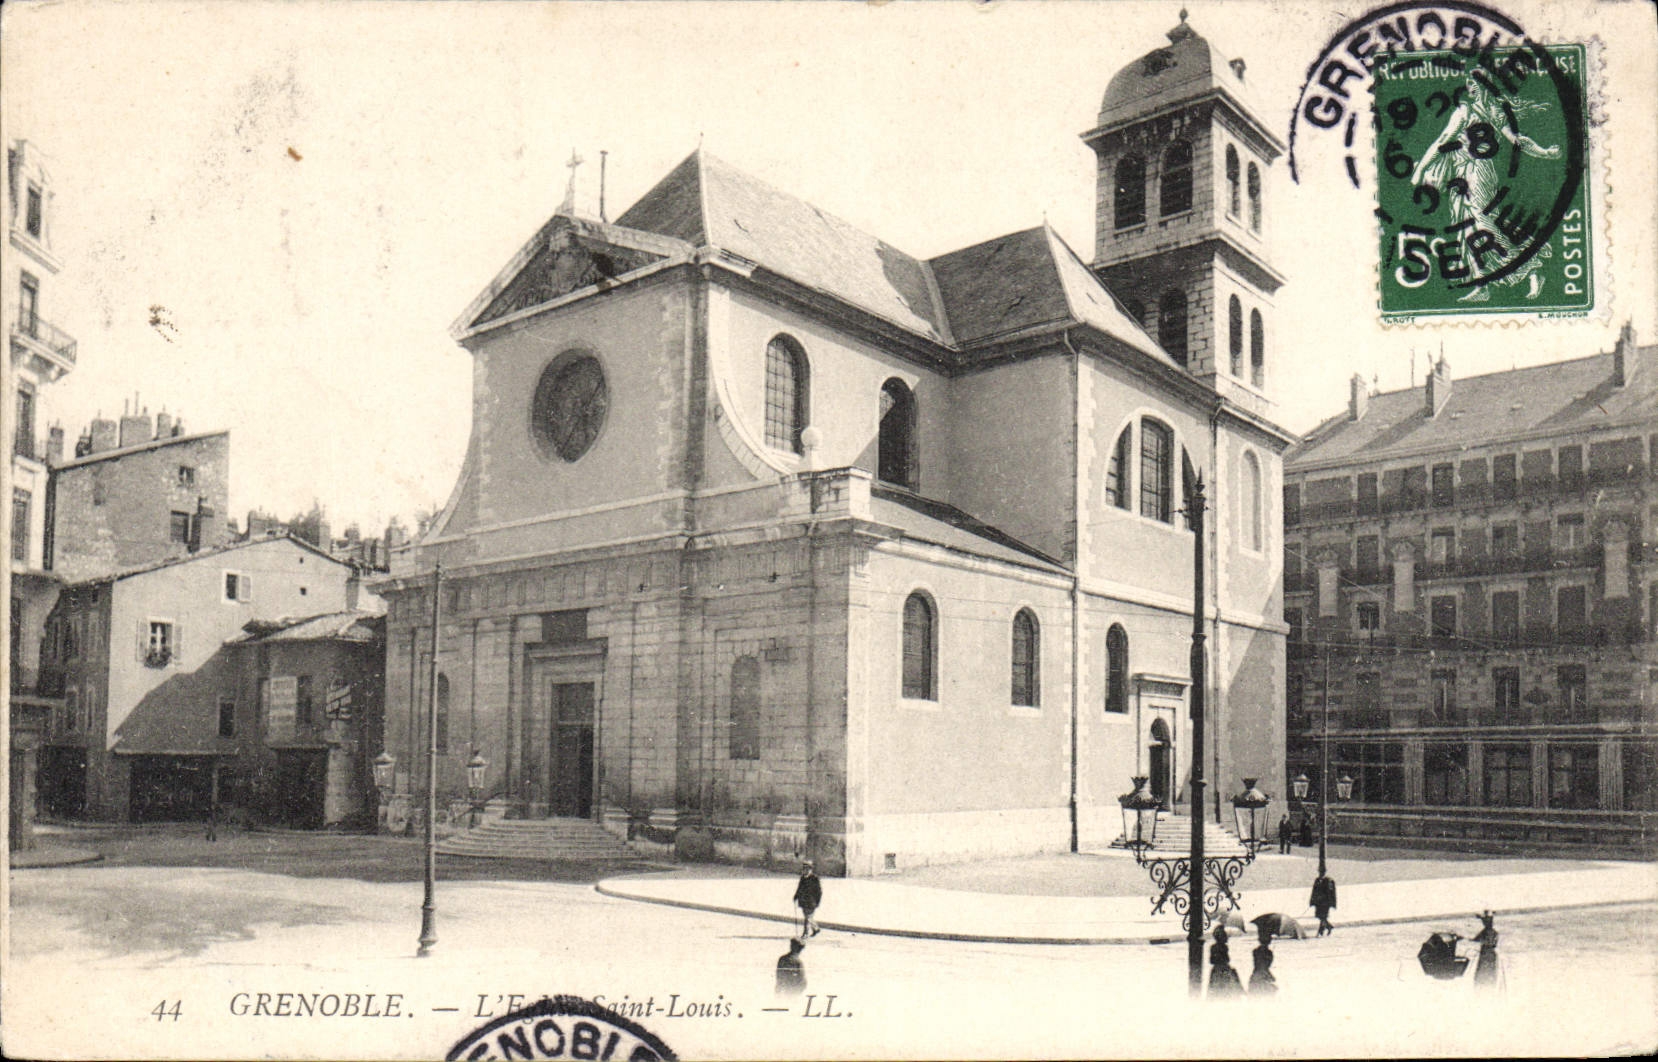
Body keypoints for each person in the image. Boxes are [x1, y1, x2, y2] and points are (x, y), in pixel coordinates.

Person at [1207, 925, 1243, 999]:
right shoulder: (1225, 947)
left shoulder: (1213, 947)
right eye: (1225, 935)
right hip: (1224, 970)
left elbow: (1211, 961)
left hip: (1215, 970)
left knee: (1215, 992)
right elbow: (1227, 959)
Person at [793, 860, 822, 938]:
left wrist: (817, 902)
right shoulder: (803, 878)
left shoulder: (815, 878)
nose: (805, 871)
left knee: (807, 917)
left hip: (812, 902)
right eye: (804, 869)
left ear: (811, 870)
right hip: (803, 901)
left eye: (807, 869)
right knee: (808, 917)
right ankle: (816, 928)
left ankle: (805, 933)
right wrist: (796, 896)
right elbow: (799, 888)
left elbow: (819, 892)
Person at [1472, 910, 1500, 989]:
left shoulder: (1485, 932)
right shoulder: (1495, 932)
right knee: (1490, 972)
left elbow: (1476, 940)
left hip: (1485, 953)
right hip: (1491, 953)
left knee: (1482, 973)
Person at [1248, 925, 1278, 998]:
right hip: (1263, 976)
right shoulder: (1269, 953)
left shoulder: (1255, 951)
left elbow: (1258, 964)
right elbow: (1267, 966)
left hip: (1255, 975)